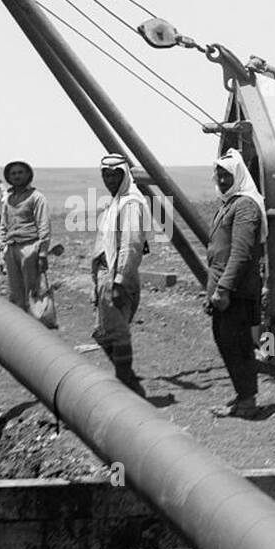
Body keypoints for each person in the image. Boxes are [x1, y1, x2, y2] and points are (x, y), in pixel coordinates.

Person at [205, 149, 266, 419]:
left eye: (227, 175)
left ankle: (247, 401)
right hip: (226, 290)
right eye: (219, 175)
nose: (222, 180)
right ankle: (243, 395)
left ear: (239, 175)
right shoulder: (228, 204)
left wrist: (223, 289)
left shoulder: (245, 206)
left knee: (237, 345)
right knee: (228, 342)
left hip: (236, 292)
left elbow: (241, 253)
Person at [91, 154, 150, 396]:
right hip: (107, 274)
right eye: (106, 175)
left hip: (117, 274)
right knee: (103, 331)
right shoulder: (116, 202)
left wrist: (119, 281)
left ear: (125, 175)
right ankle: (128, 379)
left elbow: (131, 244)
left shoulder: (130, 203)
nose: (110, 180)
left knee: (115, 331)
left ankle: (129, 384)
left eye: (115, 175)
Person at [0, 160, 56, 327]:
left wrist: (42, 253)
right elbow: (3, 226)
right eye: (13, 173)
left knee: (33, 288)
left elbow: (44, 225)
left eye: (20, 172)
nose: (16, 176)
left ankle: (36, 326)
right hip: (11, 247)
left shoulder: (37, 197)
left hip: (30, 247)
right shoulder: (8, 199)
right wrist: (2, 249)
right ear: (9, 177)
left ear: (28, 175)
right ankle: (20, 326)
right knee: (15, 290)